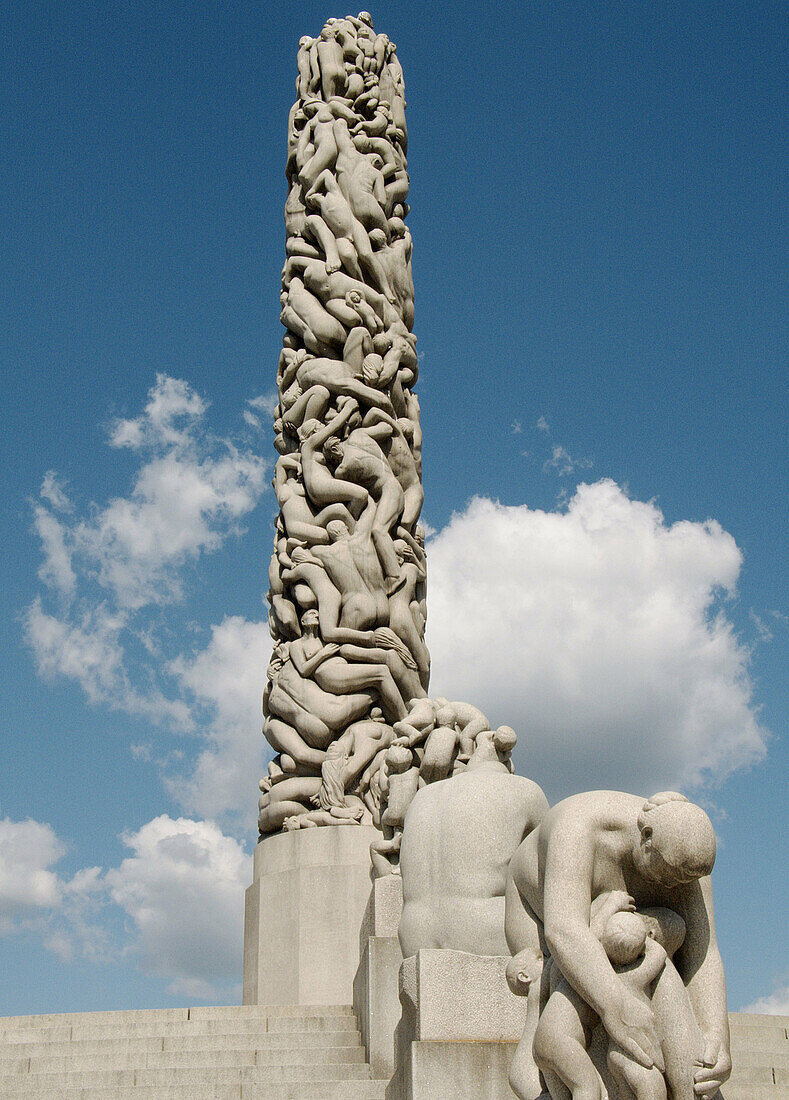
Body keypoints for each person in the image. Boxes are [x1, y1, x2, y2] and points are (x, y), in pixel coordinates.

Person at [505, 791, 731, 1100]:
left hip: (628, 937)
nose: (673, 886)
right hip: (538, 908)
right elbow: (564, 930)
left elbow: (704, 954)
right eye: (668, 874)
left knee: (659, 959)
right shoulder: (581, 826)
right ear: (646, 837)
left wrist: (716, 1032)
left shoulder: (687, 863)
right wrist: (616, 1007)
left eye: (683, 879)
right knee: (569, 992)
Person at [529, 901, 669, 1100]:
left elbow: (589, 935)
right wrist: (646, 937)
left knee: (567, 1094)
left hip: (543, 1039)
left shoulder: (582, 969)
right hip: (563, 1045)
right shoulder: (628, 979)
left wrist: (610, 906)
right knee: (587, 1090)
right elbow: (660, 953)